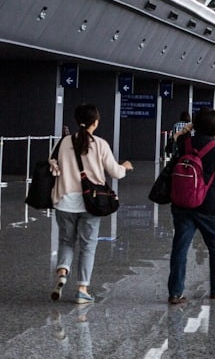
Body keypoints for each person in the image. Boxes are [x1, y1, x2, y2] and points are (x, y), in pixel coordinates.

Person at [50, 103, 133, 304]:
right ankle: (82, 289)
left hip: (64, 201)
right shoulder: (100, 144)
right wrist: (125, 167)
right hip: (91, 202)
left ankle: (62, 272)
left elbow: (52, 166)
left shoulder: (62, 143)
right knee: (88, 245)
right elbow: (115, 172)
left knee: (66, 241)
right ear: (95, 123)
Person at [167, 108, 215, 305]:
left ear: (196, 125)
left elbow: (176, 136)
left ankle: (175, 292)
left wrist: (190, 127)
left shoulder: (184, 142)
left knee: (180, 248)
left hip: (182, 203)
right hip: (208, 206)